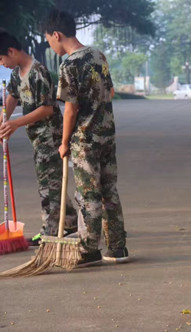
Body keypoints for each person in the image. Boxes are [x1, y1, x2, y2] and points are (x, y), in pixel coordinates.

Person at [41, 10, 128, 266]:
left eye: (48, 40)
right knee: (109, 190)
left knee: (88, 194)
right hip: (107, 135)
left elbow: (70, 108)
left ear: (56, 35)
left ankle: (89, 249)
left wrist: (65, 142)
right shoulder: (98, 55)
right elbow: (109, 90)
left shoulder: (69, 64)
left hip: (85, 140)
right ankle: (117, 247)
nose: (50, 44)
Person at [0, 29, 78, 246]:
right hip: (37, 138)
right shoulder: (17, 73)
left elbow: (47, 109)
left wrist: (15, 123)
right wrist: (3, 120)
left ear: (12, 51)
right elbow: (13, 98)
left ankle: (49, 230)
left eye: (1, 59)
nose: (1, 64)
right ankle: (70, 222)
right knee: (52, 183)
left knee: (48, 186)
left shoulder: (38, 72)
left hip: (50, 137)